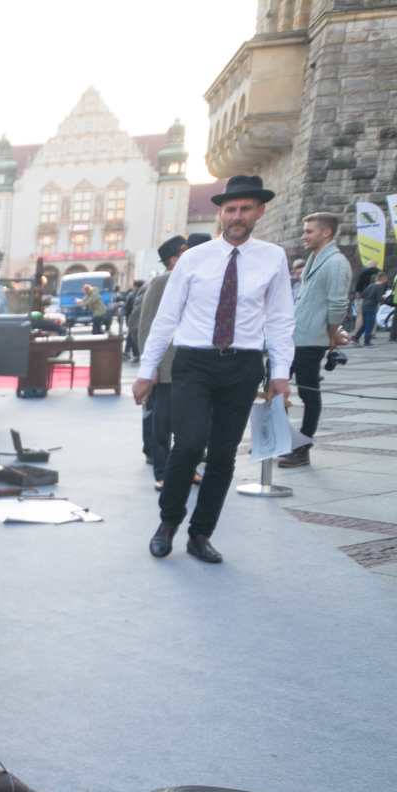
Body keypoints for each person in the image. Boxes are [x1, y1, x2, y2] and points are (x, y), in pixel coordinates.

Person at [134, 175, 295, 564]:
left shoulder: (272, 257)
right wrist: (147, 369)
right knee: (188, 445)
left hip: (243, 365)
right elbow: (166, 318)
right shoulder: (193, 259)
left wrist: (281, 373)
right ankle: (168, 523)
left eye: (245, 209)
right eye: (230, 209)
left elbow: (280, 318)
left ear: (260, 212)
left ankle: (201, 534)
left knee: (223, 454)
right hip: (195, 362)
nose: (237, 216)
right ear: (220, 214)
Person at [278, 212, 352, 468]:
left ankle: (302, 448)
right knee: (276, 388)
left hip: (310, 340)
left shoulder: (336, 262)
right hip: (295, 337)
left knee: (309, 393)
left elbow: (338, 303)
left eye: (309, 231)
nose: (304, 235)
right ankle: (285, 439)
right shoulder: (315, 258)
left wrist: (331, 334)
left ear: (326, 232)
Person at [135, 235, 188, 488]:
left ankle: (188, 468)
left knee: (190, 423)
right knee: (161, 421)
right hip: (166, 365)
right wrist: (150, 366)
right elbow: (146, 326)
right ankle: (161, 470)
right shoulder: (160, 282)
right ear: (175, 259)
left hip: (194, 366)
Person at [353, 271, 388, 346]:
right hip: (371, 307)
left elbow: (362, 295)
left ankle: (356, 338)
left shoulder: (370, 286)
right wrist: (383, 299)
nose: (386, 281)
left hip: (364, 306)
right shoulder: (380, 287)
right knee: (370, 325)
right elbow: (379, 299)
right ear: (383, 279)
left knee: (365, 324)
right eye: (386, 279)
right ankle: (367, 341)